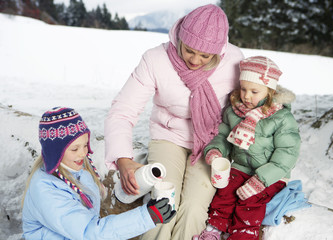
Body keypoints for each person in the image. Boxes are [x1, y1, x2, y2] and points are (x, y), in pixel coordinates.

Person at [104, 4, 245, 240]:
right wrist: (124, 160)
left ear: (219, 51)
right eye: (189, 50)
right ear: (179, 38)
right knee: (164, 200)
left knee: (193, 207)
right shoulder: (155, 59)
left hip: (211, 143)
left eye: (205, 55)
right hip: (168, 137)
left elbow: (251, 101)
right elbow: (123, 110)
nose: (195, 60)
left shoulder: (234, 61)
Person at [22, 107, 176, 240]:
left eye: (84, 145)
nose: (83, 153)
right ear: (55, 153)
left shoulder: (79, 172)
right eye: (75, 149)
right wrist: (147, 217)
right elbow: (89, 232)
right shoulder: (45, 191)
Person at [193, 56, 301, 240]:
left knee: (250, 199)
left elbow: (287, 154)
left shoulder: (282, 118)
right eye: (243, 89)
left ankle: (244, 235)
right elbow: (222, 136)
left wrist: (261, 180)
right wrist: (216, 151)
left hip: (271, 176)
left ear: (269, 91)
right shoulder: (234, 111)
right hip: (241, 168)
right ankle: (214, 229)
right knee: (225, 191)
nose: (246, 96)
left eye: (254, 91)